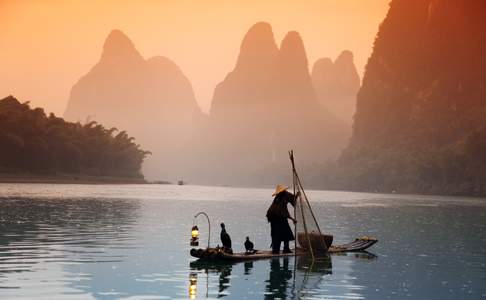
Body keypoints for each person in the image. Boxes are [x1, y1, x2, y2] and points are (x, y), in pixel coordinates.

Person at [266, 184, 298, 254]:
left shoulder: (281, 196)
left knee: (278, 233)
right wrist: (292, 219)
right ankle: (279, 250)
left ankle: (279, 249)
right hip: (276, 217)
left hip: (274, 217)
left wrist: (297, 196)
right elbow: (283, 211)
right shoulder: (282, 197)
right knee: (284, 233)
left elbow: (292, 199)